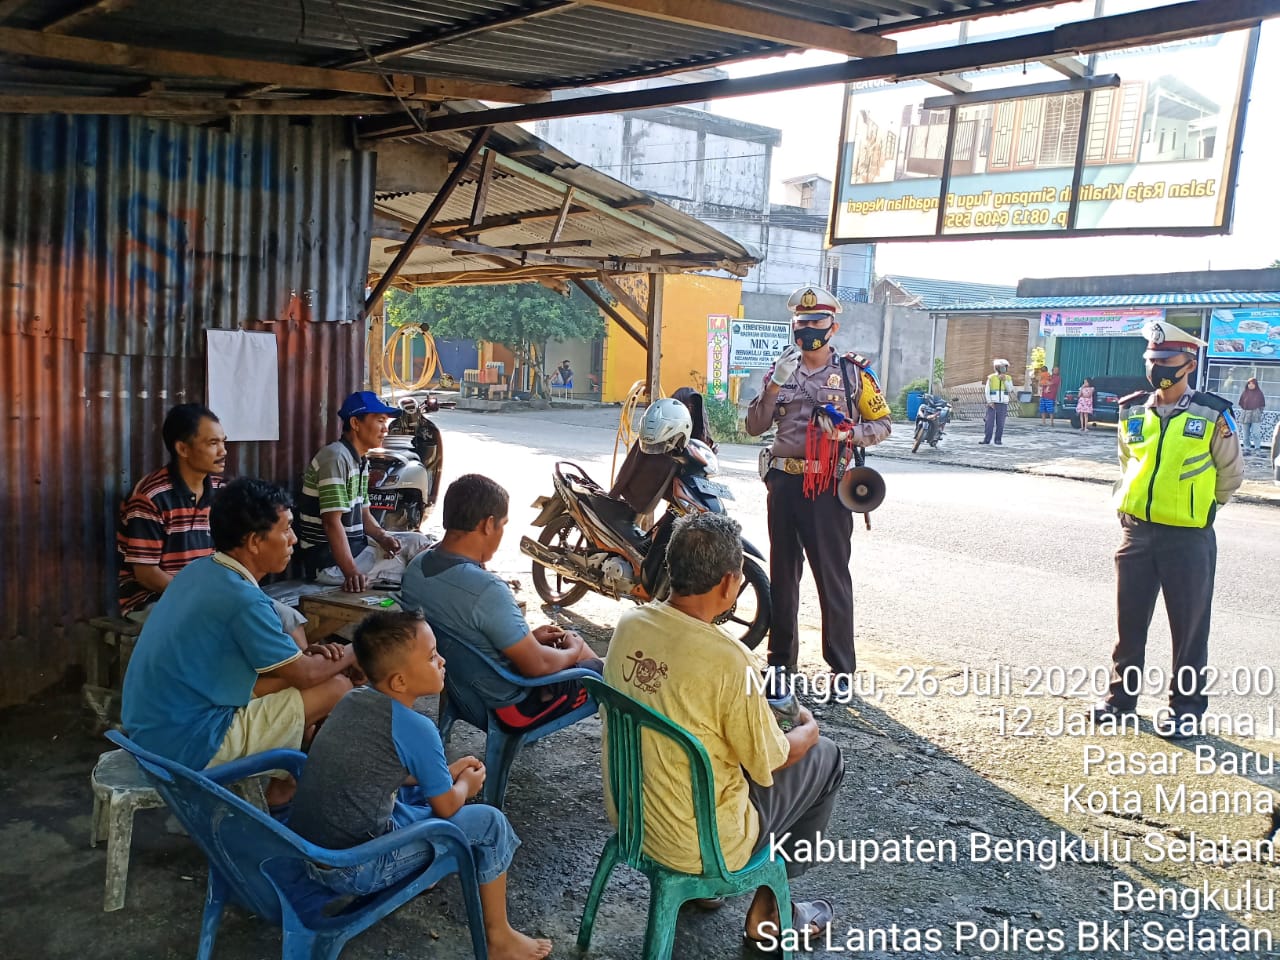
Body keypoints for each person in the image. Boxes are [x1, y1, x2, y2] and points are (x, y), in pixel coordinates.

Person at [604, 513, 845, 949]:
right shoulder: (729, 658)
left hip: (632, 821)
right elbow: (770, 759)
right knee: (826, 757)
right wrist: (807, 731)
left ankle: (710, 891)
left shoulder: (631, 623)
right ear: (730, 583)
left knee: (711, 751)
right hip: (697, 844)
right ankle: (772, 913)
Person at [288, 611, 552, 960]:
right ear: (399, 682)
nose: (441, 661)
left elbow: (378, 768)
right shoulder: (415, 727)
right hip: (356, 868)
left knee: (415, 795)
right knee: (489, 822)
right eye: (431, 657)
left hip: (309, 851)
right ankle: (500, 938)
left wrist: (446, 772)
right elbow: (447, 807)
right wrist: (466, 785)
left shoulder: (352, 699)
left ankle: (419, 870)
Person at [122, 478, 355, 803]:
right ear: (255, 542)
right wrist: (357, 649)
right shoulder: (243, 599)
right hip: (188, 743)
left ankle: (286, 783)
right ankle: (286, 789)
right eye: (286, 529)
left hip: (148, 729)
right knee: (338, 687)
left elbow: (283, 671)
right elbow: (306, 674)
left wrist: (311, 659)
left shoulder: (201, 570)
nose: (294, 539)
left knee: (307, 682)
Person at [1093, 320, 1244, 739]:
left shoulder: (1213, 413)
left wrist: (1199, 509)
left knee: (1189, 628)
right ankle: (1120, 701)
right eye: (1151, 360)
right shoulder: (1132, 409)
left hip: (1188, 537)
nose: (1156, 368)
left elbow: (1230, 474)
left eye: (1165, 361)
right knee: (1129, 624)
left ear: (1188, 364)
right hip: (1136, 533)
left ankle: (1186, 710)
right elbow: (1128, 462)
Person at [744, 285, 891, 677]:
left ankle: (841, 670)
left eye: (815, 322)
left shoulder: (852, 374)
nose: (807, 328)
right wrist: (775, 383)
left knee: (832, 579)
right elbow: (754, 425)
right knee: (782, 575)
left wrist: (849, 436)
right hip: (784, 484)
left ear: (833, 327)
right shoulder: (780, 369)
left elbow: (883, 423)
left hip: (828, 487)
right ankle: (780, 664)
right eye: (801, 322)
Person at [399, 474, 602, 731]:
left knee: (555, 645)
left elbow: (468, 633)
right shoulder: (486, 590)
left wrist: (529, 639)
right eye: (503, 525)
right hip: (509, 708)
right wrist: (574, 649)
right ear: (488, 524)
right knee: (596, 667)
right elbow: (537, 665)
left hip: (461, 693)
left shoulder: (418, 566)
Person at [117, 403, 311, 642]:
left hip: (215, 591)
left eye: (223, 441)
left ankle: (301, 674)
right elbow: (147, 574)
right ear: (182, 448)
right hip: (156, 600)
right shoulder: (150, 497)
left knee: (289, 621)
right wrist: (206, 595)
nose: (223, 451)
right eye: (212, 443)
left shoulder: (223, 491)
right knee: (233, 630)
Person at [297, 390, 405, 592]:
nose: (385, 429)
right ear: (355, 423)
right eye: (380, 421)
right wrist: (351, 573)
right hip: (328, 563)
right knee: (413, 566)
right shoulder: (336, 458)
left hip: (357, 549)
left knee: (418, 543)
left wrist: (383, 537)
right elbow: (331, 522)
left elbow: (364, 514)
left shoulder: (360, 461)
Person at [980, 358, 1014, 445]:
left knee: (1001, 423)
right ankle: (987, 439)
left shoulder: (1008, 378)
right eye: (1002, 367)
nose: (1004, 369)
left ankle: (998, 440)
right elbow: (987, 390)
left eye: (1005, 367)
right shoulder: (991, 377)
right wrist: (989, 401)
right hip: (993, 403)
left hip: (1003, 403)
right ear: (997, 367)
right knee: (989, 422)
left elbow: (1010, 389)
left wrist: (1005, 380)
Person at [1238, 377, 1266, 454]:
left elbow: (1262, 405)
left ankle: (1257, 448)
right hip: (1245, 414)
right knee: (1245, 433)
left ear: (1255, 384)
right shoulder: (1244, 393)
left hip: (1255, 414)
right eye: (1249, 383)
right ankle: (1247, 448)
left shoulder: (1259, 393)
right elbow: (1240, 403)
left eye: (1252, 384)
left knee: (1256, 433)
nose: (1250, 385)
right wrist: (1245, 410)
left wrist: (1258, 412)